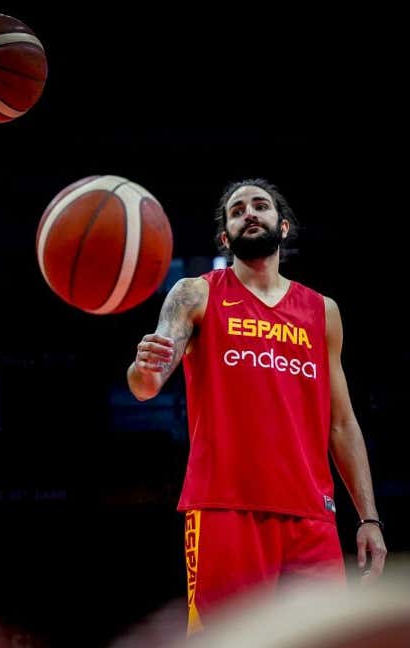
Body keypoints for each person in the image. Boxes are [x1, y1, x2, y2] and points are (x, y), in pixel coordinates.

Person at [126, 179, 387, 633]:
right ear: (225, 238)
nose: (250, 212)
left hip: (311, 514)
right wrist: (142, 366)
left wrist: (369, 517)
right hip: (226, 507)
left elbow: (342, 423)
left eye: (260, 206)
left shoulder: (322, 312)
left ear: (281, 227)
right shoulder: (196, 293)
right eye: (237, 209)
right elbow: (146, 384)